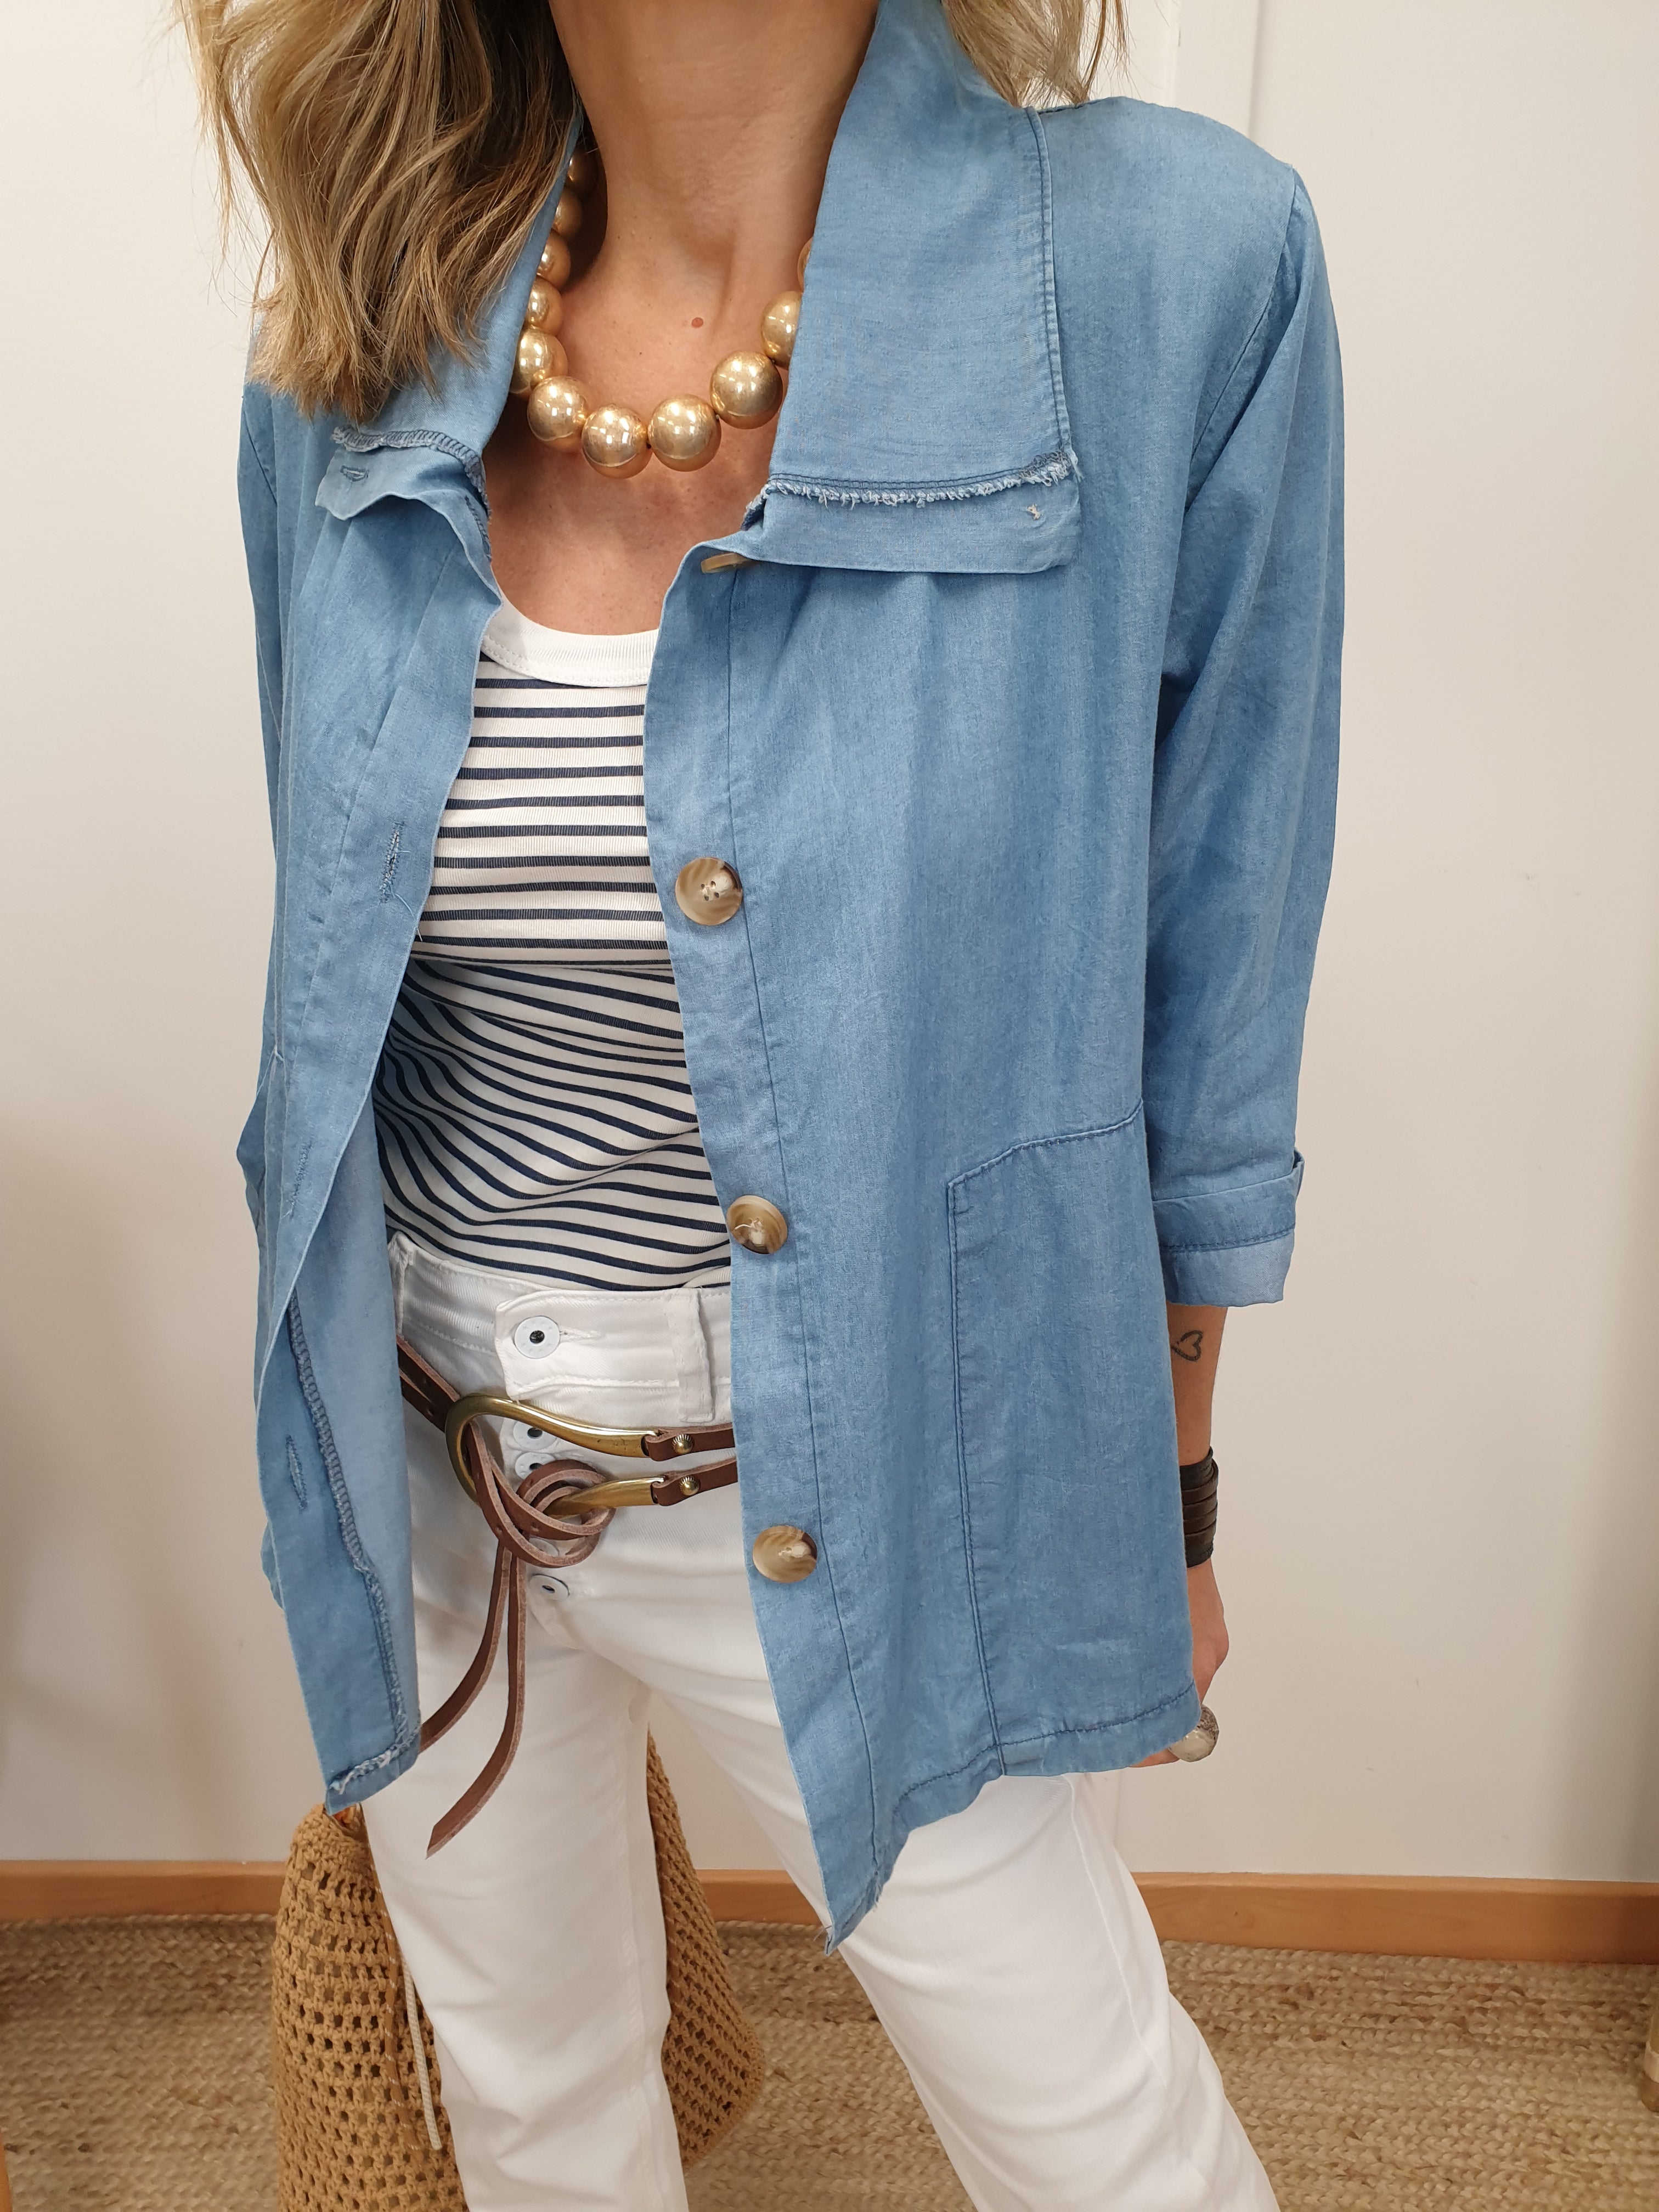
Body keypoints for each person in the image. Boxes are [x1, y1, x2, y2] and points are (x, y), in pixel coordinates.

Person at [188, 0, 1341, 2202]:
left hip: (899, 1453)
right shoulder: (361, 322)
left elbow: (1215, 990)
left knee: (1102, 2144)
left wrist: (1175, 1491)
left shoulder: (1174, 274)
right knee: (536, 2117)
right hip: (435, 1468)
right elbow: (339, 984)